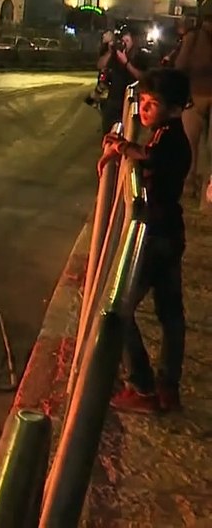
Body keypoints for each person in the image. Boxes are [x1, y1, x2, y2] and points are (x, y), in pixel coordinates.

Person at [101, 68, 192, 414]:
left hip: (154, 235)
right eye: (142, 102)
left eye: (152, 104)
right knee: (170, 313)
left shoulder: (169, 138)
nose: (143, 110)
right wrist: (124, 149)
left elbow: (152, 157)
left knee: (118, 310)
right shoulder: (166, 134)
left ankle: (142, 386)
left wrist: (121, 146)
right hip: (169, 233)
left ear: (173, 108)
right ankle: (169, 385)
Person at [174, 0, 212, 193]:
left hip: (194, 96)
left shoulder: (193, 37)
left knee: (190, 145)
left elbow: (180, 66)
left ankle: (190, 184)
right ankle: (208, 196)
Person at [97, 25, 148, 135]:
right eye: (122, 40)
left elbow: (143, 77)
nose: (124, 43)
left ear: (134, 42)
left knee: (127, 136)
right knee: (109, 135)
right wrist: (110, 51)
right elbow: (100, 65)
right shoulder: (115, 55)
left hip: (130, 103)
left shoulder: (140, 56)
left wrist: (126, 63)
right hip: (113, 103)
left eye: (127, 40)